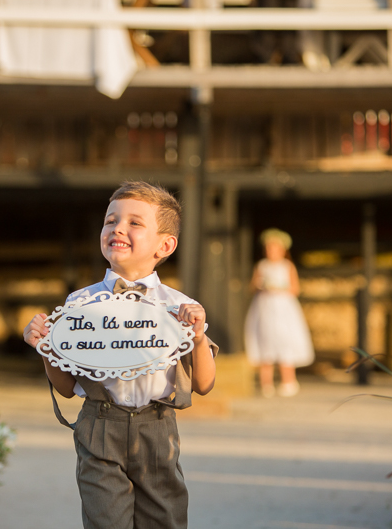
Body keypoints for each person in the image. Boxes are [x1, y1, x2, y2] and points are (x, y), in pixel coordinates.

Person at [23, 181, 217, 529]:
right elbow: (67, 387)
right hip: (99, 424)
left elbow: (204, 384)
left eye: (134, 223)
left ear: (165, 245)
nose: (118, 228)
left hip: (156, 427)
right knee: (104, 522)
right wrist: (46, 347)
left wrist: (199, 337)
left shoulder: (180, 307)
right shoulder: (78, 305)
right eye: (110, 220)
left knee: (166, 519)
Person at [244, 228, 314, 398]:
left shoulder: (287, 266)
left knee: (284, 341)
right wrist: (261, 286)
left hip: (283, 309)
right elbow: (252, 287)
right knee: (265, 342)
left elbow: (295, 288)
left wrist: (278, 288)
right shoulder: (261, 266)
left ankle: (288, 381)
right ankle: (265, 383)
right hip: (265, 309)